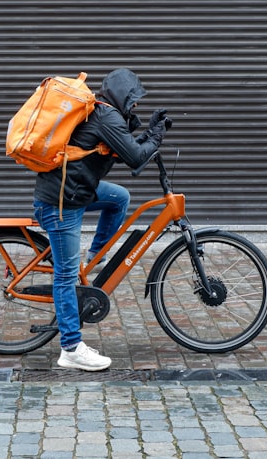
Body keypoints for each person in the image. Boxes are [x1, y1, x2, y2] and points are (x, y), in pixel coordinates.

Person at [33, 68, 170, 371]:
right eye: (133, 101)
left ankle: (96, 258)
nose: (135, 106)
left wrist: (148, 132)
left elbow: (125, 149)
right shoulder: (107, 117)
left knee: (119, 197)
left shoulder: (104, 114)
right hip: (62, 202)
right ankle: (70, 348)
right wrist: (156, 135)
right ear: (122, 96)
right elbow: (135, 157)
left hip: (76, 190)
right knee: (66, 275)